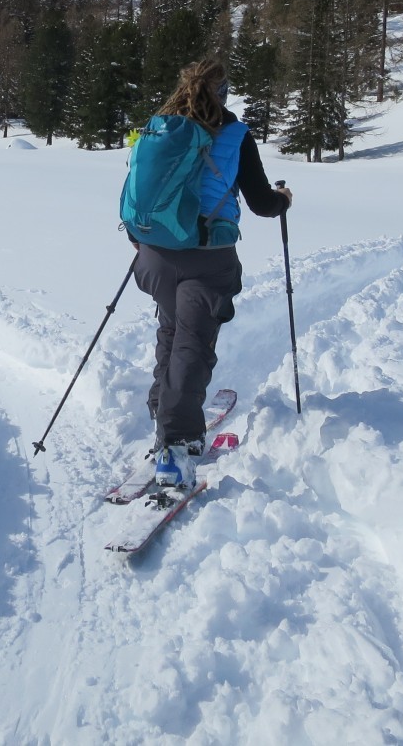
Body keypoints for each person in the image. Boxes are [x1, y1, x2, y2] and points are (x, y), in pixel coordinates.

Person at [130, 59, 292, 489]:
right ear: (222, 93)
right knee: (192, 344)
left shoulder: (160, 129)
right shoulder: (236, 135)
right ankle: (176, 446)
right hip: (207, 256)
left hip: (152, 255)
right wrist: (283, 200)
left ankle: (162, 410)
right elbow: (261, 203)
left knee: (171, 329)